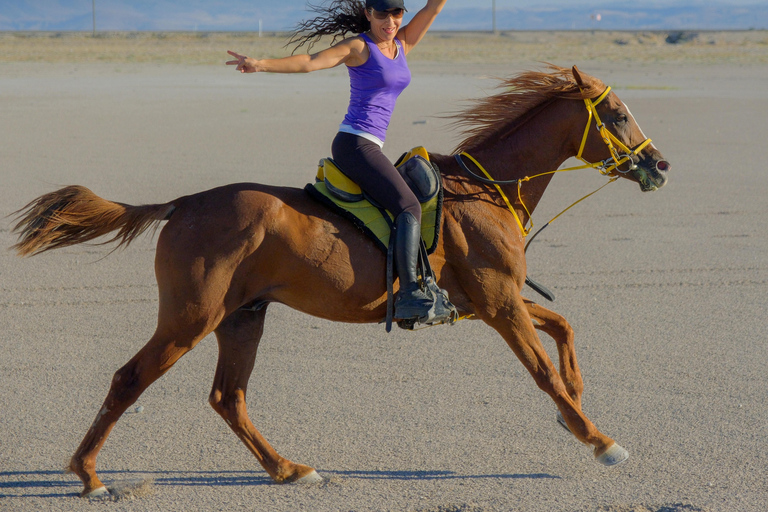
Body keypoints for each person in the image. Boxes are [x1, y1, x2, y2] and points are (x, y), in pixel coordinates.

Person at [226, 0, 448, 323]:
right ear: (369, 14)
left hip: (372, 145)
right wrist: (260, 63)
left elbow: (434, 7)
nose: (390, 21)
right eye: (382, 13)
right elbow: (310, 61)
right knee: (409, 207)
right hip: (355, 144)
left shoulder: (401, 44)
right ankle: (412, 294)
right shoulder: (360, 47)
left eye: (396, 13)